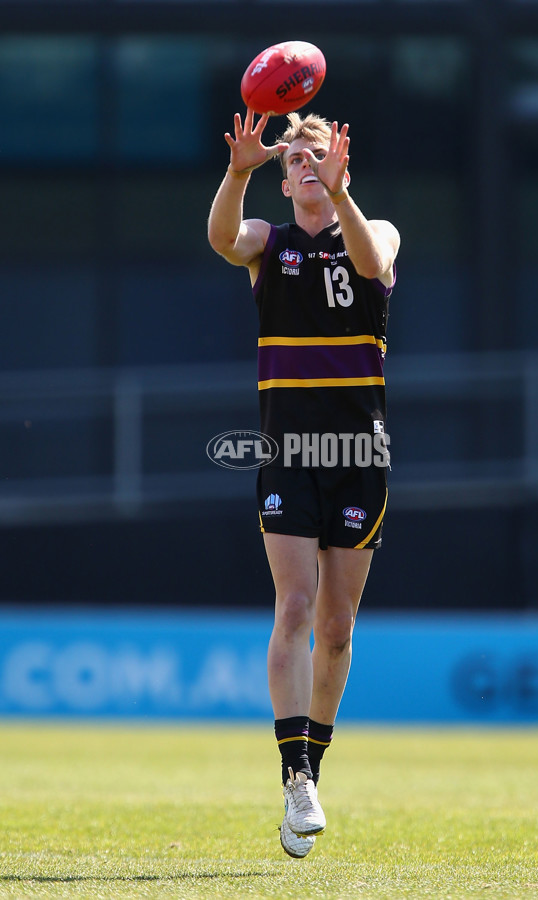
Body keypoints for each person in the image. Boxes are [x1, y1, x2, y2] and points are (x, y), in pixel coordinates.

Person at [207, 108, 400, 858]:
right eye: (292, 161)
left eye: (314, 156)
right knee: (294, 604)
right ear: (283, 180)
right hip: (288, 450)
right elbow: (226, 238)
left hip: (359, 452)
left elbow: (372, 263)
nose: (304, 167)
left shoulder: (374, 228)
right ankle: (294, 775)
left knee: (340, 627)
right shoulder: (272, 244)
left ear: (340, 166)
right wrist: (238, 172)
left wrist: (345, 193)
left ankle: (311, 765)